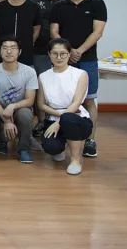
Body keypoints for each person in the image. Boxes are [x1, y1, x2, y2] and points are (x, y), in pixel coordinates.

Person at [50, 0, 107, 158]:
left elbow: (98, 32)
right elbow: (54, 32)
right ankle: (64, 137)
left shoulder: (97, 4)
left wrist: (79, 51)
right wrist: (67, 52)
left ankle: (90, 139)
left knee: (89, 99)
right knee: (63, 98)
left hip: (87, 59)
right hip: (63, 60)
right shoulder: (59, 6)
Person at [38, 38, 93, 175]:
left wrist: (61, 121)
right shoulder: (43, 76)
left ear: (69, 54)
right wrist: (59, 118)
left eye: (63, 53)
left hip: (77, 117)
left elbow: (76, 103)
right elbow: (41, 104)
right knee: (51, 147)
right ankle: (60, 147)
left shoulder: (80, 74)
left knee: (68, 120)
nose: (59, 57)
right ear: (49, 54)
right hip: (53, 116)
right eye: (54, 53)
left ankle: (75, 160)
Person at [31, 0, 70, 136]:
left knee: (64, 86)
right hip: (40, 51)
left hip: (65, 52)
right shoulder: (34, 2)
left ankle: (66, 120)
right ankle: (42, 122)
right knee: (41, 87)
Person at [0, 35, 38, 164]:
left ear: (19, 51)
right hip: (0, 111)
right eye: (5, 48)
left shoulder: (30, 71)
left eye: (13, 48)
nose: (9, 51)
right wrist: (7, 121)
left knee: (25, 114)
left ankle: (24, 149)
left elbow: (30, 100)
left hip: (19, 109)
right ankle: (2, 141)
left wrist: (13, 106)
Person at [31, 0, 70, 77]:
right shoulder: (34, 2)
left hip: (65, 49)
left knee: (65, 80)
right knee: (42, 80)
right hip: (40, 50)